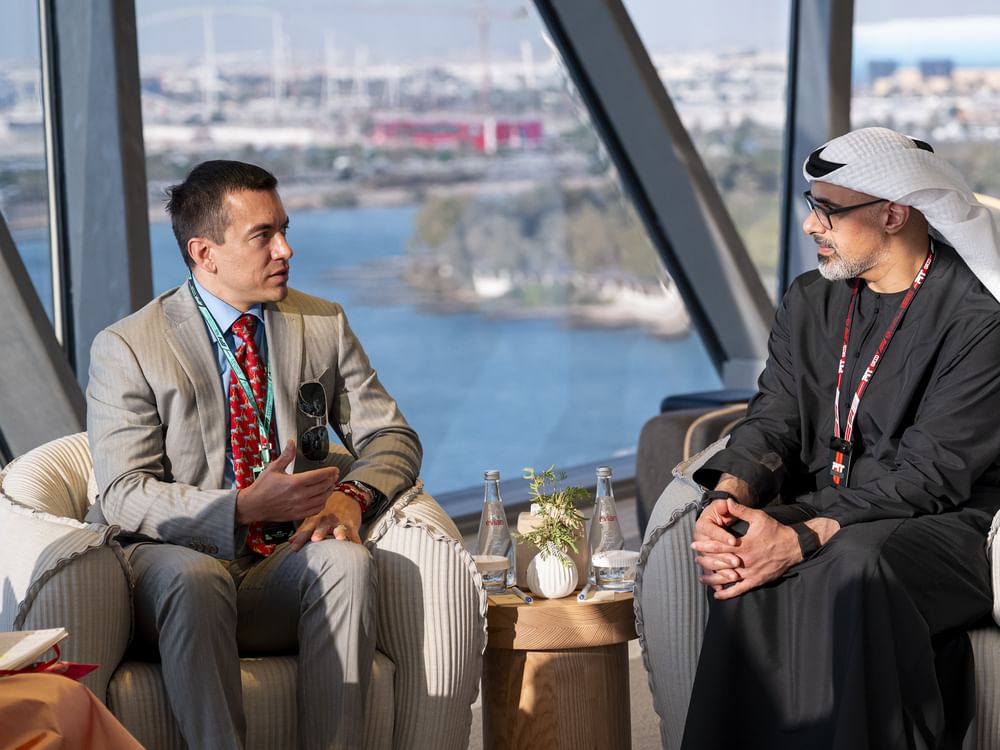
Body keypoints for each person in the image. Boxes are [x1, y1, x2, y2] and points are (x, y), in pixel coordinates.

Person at [676, 128, 1000, 748]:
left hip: (949, 522)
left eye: (827, 209)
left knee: (855, 562)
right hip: (841, 505)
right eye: (811, 203)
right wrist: (730, 498)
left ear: (893, 213)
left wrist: (800, 533)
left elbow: (931, 476)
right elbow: (773, 418)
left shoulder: (978, 319)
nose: (809, 225)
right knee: (744, 550)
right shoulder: (810, 301)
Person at [85, 160, 422, 749]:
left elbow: (393, 437)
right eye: (263, 236)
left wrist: (350, 496)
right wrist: (240, 507)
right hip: (172, 565)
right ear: (205, 252)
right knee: (194, 579)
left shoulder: (323, 323)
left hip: (281, 563)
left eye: (284, 229)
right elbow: (122, 492)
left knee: (346, 561)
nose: (286, 249)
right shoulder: (127, 347)